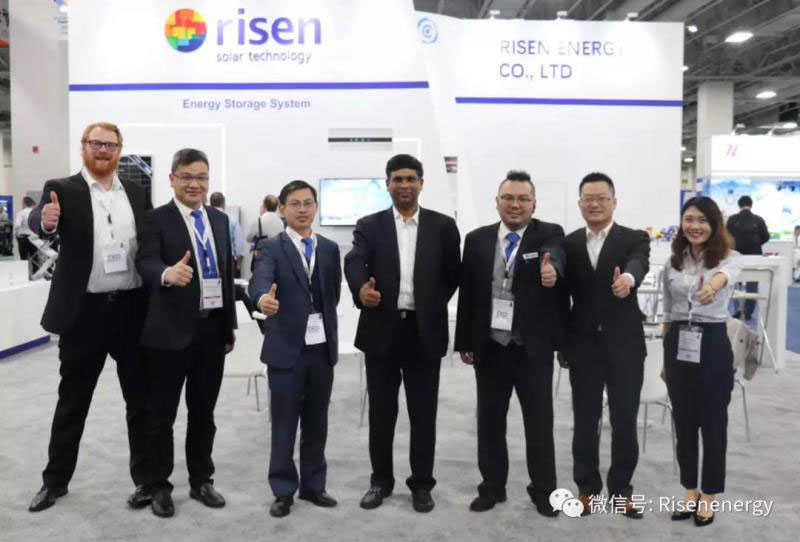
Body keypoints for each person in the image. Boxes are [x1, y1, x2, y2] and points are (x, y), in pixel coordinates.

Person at [26, 122, 151, 512]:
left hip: (131, 310)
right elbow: (42, 222)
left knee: (141, 402)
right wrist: (45, 220)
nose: (102, 150)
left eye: (110, 145)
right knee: (73, 401)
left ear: (119, 150)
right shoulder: (63, 189)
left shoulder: (136, 191)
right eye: (95, 143)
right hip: (84, 313)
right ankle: (55, 481)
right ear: (84, 147)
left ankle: (146, 480)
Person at [344, 154, 460, 513]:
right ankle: (380, 482)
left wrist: (429, 303)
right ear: (388, 184)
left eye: (411, 178)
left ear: (421, 183)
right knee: (381, 413)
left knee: (423, 414)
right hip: (382, 330)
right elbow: (354, 260)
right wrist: (361, 289)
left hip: (424, 332)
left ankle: (422, 485)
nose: (405, 185)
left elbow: (452, 275)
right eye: (398, 179)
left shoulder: (442, 226)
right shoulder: (369, 225)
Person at [454, 170, 564, 516]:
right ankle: (492, 487)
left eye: (523, 199)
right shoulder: (476, 239)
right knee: (489, 422)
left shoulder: (548, 234)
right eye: (509, 198)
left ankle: (544, 491)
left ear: (534, 203)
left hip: (532, 350)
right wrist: (464, 341)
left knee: (539, 424)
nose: (515, 205)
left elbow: (555, 254)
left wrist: (552, 270)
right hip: (490, 347)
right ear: (497, 202)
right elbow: (468, 294)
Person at [136, 148, 237, 518]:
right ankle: (159, 485)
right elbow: (145, 261)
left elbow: (226, 273)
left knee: (204, 412)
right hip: (169, 333)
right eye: (187, 177)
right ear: (172, 179)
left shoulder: (220, 220)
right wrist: (167, 273)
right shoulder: (155, 219)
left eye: (202, 177)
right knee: (161, 415)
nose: (195, 184)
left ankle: (202, 480)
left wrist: (228, 326)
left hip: (211, 330)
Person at [559, 172, 650, 518]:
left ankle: (622, 490)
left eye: (602, 198)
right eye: (588, 199)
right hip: (583, 345)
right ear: (580, 203)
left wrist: (628, 278)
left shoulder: (633, 238)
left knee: (624, 421)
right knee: (585, 421)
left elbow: (638, 263)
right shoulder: (569, 243)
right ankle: (587, 489)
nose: (595, 204)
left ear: (614, 201)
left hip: (624, 345)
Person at [249, 180, 342, 518]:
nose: (302, 210)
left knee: (317, 421)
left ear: (315, 207)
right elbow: (260, 280)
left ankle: (314, 486)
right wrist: (263, 299)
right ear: (282, 209)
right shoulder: (271, 247)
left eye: (308, 203)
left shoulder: (329, 248)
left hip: (321, 349)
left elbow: (333, 294)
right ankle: (283, 489)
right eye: (295, 204)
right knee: (284, 423)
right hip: (286, 348)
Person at [662, 196, 740, 527]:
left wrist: (712, 287)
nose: (695, 226)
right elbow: (667, 312)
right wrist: (665, 360)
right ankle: (689, 491)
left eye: (702, 220)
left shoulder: (730, 257)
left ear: (714, 225)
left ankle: (708, 495)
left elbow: (724, 275)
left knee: (713, 422)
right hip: (678, 343)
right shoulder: (672, 263)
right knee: (683, 422)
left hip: (712, 342)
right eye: (689, 219)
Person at [725, 195, 769, 321]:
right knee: (752, 282)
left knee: (734, 281)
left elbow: (726, 236)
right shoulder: (759, 220)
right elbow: (766, 236)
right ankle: (748, 311)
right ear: (751, 205)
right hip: (754, 254)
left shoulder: (732, 219)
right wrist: (756, 244)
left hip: (735, 254)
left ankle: (737, 309)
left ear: (739, 205)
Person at [209, 191, 246, 278]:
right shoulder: (232, 219)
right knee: (228, 284)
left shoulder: (205, 219)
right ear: (223, 204)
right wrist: (239, 263)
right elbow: (239, 242)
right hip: (228, 259)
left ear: (210, 204)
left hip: (210, 259)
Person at [15, 196, 36, 260]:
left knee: (24, 258)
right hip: (34, 238)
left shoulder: (21, 213)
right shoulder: (35, 212)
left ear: (24, 203)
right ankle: (35, 267)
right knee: (35, 258)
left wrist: (16, 233)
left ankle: (24, 267)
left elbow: (17, 225)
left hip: (24, 238)